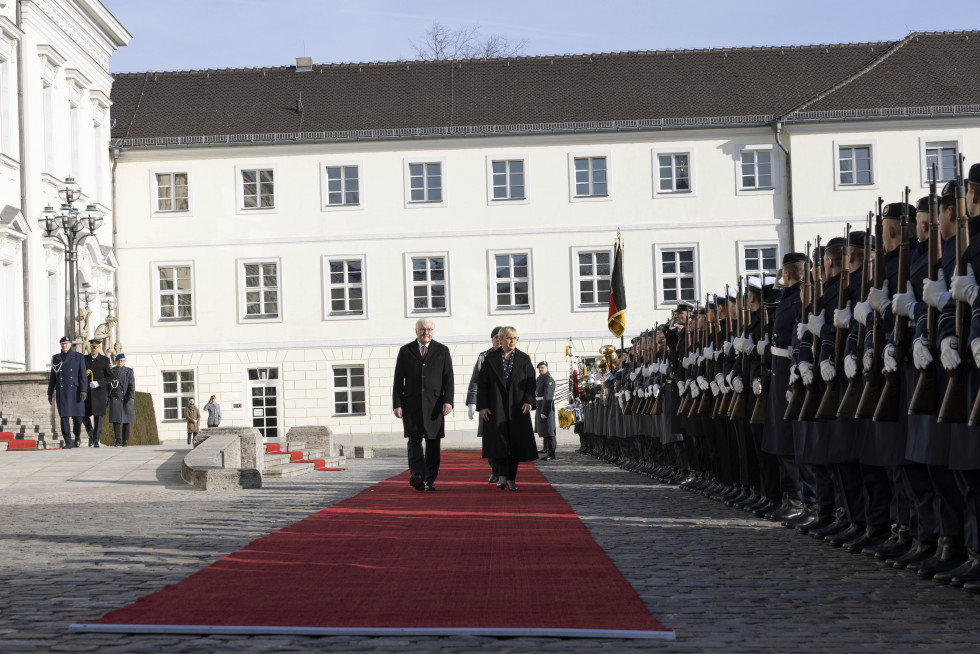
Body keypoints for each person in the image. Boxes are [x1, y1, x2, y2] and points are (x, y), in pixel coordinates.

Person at [392, 319, 454, 491]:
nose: (426, 332)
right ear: (416, 331)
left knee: (433, 442)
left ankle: (430, 478)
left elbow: (449, 379)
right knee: (414, 440)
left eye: (429, 329)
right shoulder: (405, 351)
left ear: (433, 331)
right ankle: (417, 475)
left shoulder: (442, 351)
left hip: (435, 405)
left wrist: (448, 401)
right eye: (422, 330)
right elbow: (398, 380)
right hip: (411, 404)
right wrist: (397, 404)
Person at [478, 326, 538, 491]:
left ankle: (511, 478)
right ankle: (502, 476)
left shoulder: (524, 359)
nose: (512, 341)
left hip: (517, 408)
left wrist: (529, 401)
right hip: (495, 407)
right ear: (501, 339)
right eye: (509, 338)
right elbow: (482, 384)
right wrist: (482, 407)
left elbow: (531, 383)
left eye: (515, 338)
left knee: (515, 444)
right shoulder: (490, 359)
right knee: (499, 442)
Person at [466, 326, 503, 483]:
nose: (499, 340)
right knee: (490, 440)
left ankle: (505, 472)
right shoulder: (484, 357)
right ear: (492, 340)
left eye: (502, 337)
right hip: (487, 404)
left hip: (505, 405)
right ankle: (494, 470)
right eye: (496, 337)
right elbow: (476, 379)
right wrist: (472, 403)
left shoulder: (511, 356)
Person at [47, 336, 88, 449]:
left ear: (70, 344)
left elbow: (83, 375)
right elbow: (53, 378)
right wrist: (50, 392)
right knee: (64, 417)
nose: (64, 345)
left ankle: (77, 435)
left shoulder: (78, 357)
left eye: (66, 343)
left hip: (75, 391)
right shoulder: (56, 358)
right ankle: (68, 442)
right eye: (62, 344)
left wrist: (84, 390)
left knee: (78, 418)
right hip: (62, 392)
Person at [82, 339, 112, 447]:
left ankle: (96, 440)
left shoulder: (105, 360)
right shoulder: (84, 359)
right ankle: (90, 434)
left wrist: (99, 383)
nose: (93, 349)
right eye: (92, 347)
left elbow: (110, 377)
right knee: (84, 415)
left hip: (99, 393)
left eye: (96, 347)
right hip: (87, 393)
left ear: (99, 348)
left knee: (98, 417)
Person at [108, 353, 136, 447]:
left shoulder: (129, 371)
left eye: (122, 361)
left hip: (125, 398)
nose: (120, 362)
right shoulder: (112, 370)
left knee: (126, 420)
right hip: (115, 397)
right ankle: (117, 439)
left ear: (124, 361)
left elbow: (132, 385)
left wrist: (132, 397)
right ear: (116, 361)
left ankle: (125, 440)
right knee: (116, 421)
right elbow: (109, 385)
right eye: (118, 361)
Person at [536, 360, 557, 460]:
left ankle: (552, 453)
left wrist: (544, 411)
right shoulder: (540, 378)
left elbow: (548, 396)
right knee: (544, 429)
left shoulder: (549, 379)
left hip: (546, 406)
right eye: (539, 368)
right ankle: (546, 448)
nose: (540, 369)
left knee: (549, 431)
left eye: (542, 367)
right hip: (540, 405)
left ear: (547, 368)